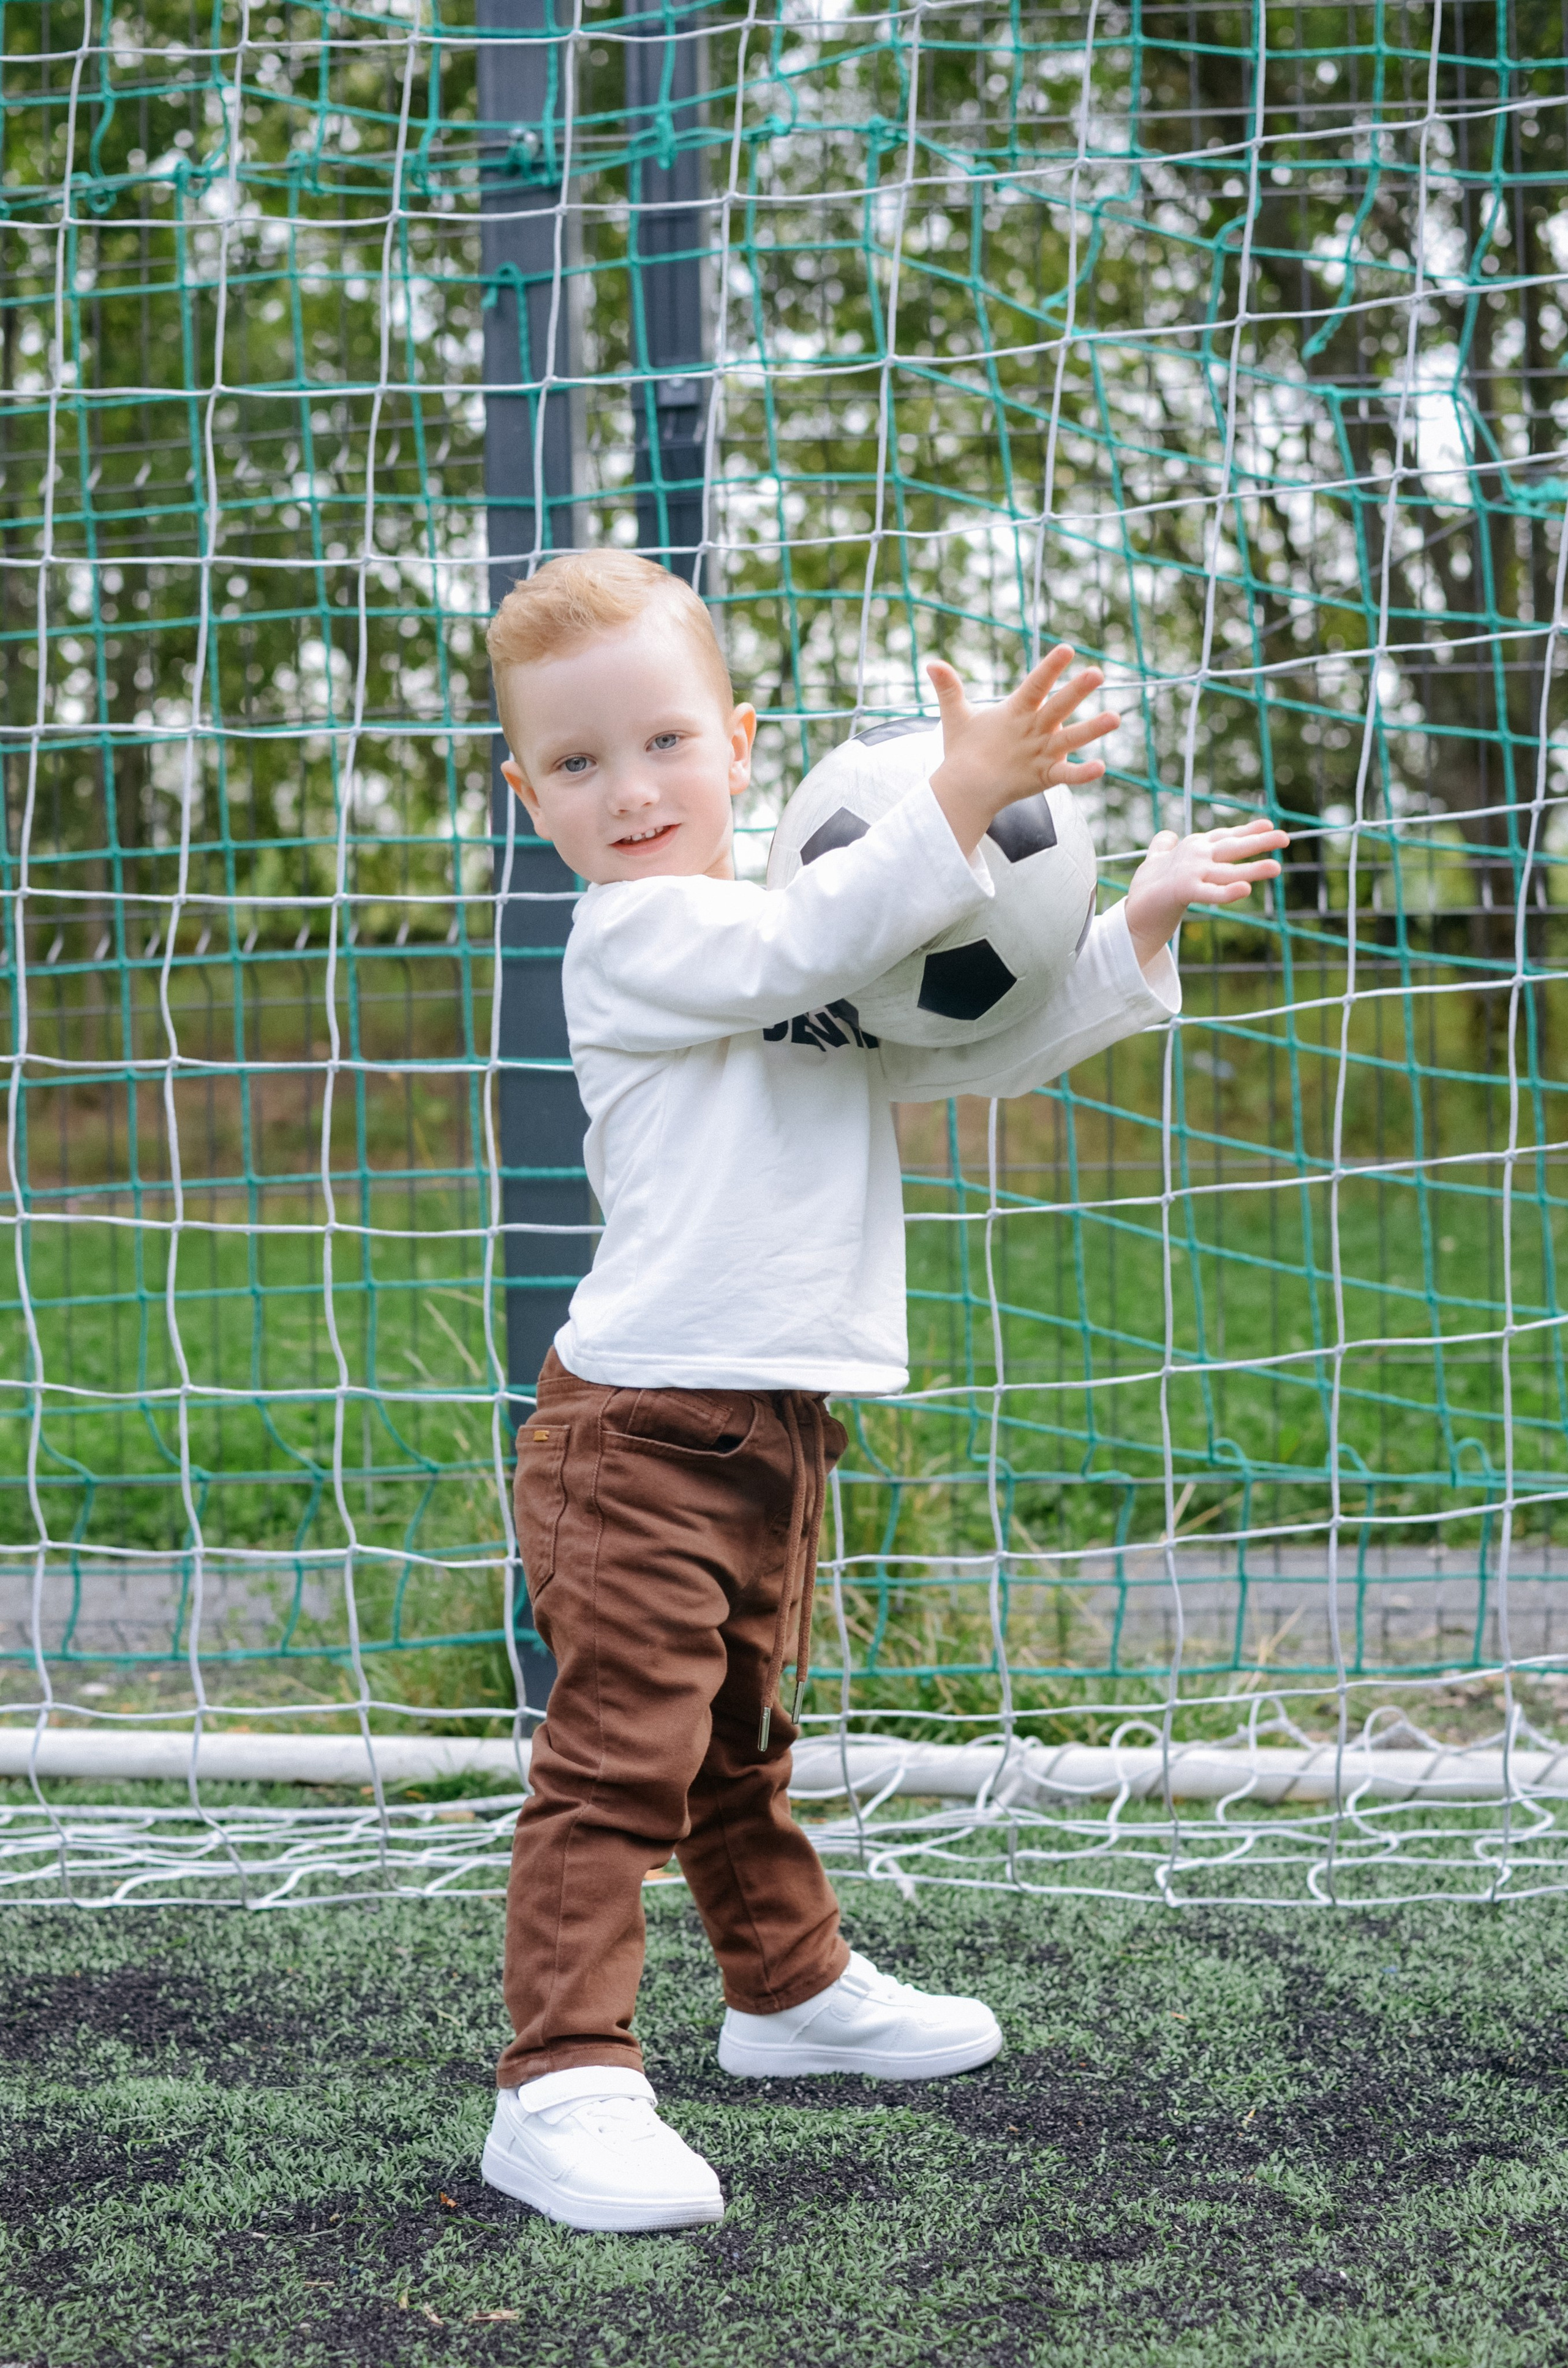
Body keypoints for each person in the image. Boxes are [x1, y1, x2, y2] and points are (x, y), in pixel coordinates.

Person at [478, 550, 1287, 2233]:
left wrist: (1126, 921)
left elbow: (957, 1041)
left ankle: (784, 1992)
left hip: (769, 1426)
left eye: (664, 743)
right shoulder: (644, 937)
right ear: (525, 791)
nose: (628, 792)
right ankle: (560, 2080)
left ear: (742, 744)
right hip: (632, 1435)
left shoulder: (787, 953)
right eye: (575, 762)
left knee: (736, 1749)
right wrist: (959, 794)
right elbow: (822, 930)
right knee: (617, 1762)